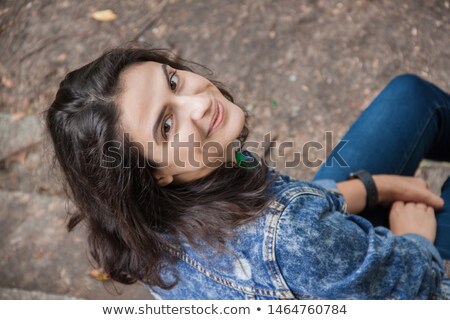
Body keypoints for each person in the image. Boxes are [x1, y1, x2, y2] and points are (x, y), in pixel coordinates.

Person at [45, 46, 450, 299]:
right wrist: (415, 237)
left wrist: (369, 188)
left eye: (172, 81)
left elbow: (292, 221)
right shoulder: (288, 231)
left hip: (310, 253)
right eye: (166, 125)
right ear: (154, 174)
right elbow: (414, 291)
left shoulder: (146, 231)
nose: (197, 102)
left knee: (409, 96)